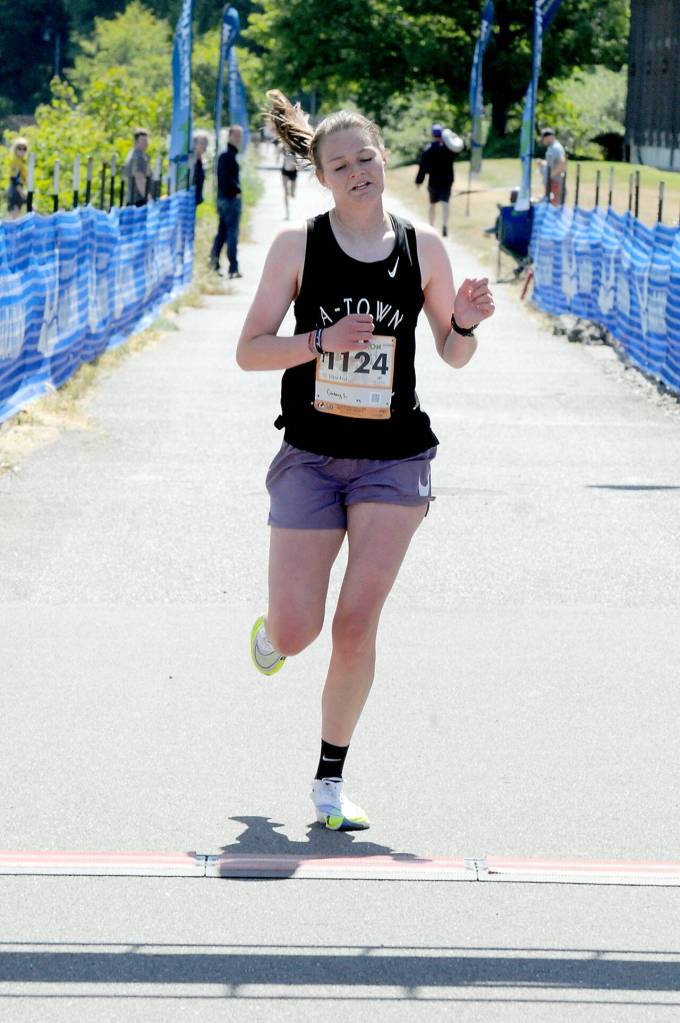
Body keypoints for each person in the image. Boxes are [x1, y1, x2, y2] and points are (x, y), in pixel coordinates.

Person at [236, 90, 495, 831]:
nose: (356, 172)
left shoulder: (424, 248)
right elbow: (248, 350)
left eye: (366, 158)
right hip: (312, 455)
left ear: (385, 157)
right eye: (339, 164)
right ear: (321, 176)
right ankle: (272, 633)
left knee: (356, 625)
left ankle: (328, 779)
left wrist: (467, 321)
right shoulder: (298, 247)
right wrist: (321, 341)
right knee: (297, 632)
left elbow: (453, 352)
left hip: (393, 458)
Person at [211, 125, 243, 279]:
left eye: (240, 136)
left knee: (222, 233)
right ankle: (233, 267)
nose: (238, 139)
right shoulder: (227, 156)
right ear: (229, 136)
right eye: (236, 136)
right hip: (229, 200)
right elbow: (225, 180)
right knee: (231, 234)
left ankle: (214, 264)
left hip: (224, 200)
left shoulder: (229, 155)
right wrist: (237, 190)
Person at [415, 124, 456, 237]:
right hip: (447, 181)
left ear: (433, 135)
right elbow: (460, 148)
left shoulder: (429, 149)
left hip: (433, 181)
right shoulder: (449, 148)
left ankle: (431, 226)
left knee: (432, 204)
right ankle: (445, 225)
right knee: (445, 203)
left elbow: (422, 167)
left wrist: (419, 181)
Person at [539, 127, 567, 206]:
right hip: (552, 182)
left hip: (555, 182)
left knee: (555, 205)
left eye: (544, 139)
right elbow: (552, 163)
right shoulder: (552, 148)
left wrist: (550, 177)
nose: (543, 141)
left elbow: (562, 163)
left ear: (548, 137)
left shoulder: (556, 148)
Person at [123, 127, 151, 206]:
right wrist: (149, 199)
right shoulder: (139, 157)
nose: (147, 143)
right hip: (139, 201)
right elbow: (139, 179)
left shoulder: (131, 154)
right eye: (143, 141)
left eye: (147, 140)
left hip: (132, 199)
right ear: (137, 142)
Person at [6, 137, 29, 217]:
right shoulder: (15, 162)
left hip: (20, 190)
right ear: (15, 149)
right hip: (15, 191)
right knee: (15, 216)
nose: (22, 151)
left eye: (24, 149)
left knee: (27, 210)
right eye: (19, 148)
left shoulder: (22, 161)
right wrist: (22, 193)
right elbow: (14, 179)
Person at [280, 146, 298, 219]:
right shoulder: (283, 148)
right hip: (285, 172)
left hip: (293, 172)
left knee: (292, 194)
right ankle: (287, 213)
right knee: (285, 192)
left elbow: (298, 162)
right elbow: (279, 149)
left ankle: (292, 192)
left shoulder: (295, 149)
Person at [192, 130, 209, 206]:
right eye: (202, 143)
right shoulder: (191, 161)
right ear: (194, 144)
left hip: (195, 201)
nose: (204, 146)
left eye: (206, 143)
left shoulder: (201, 161)